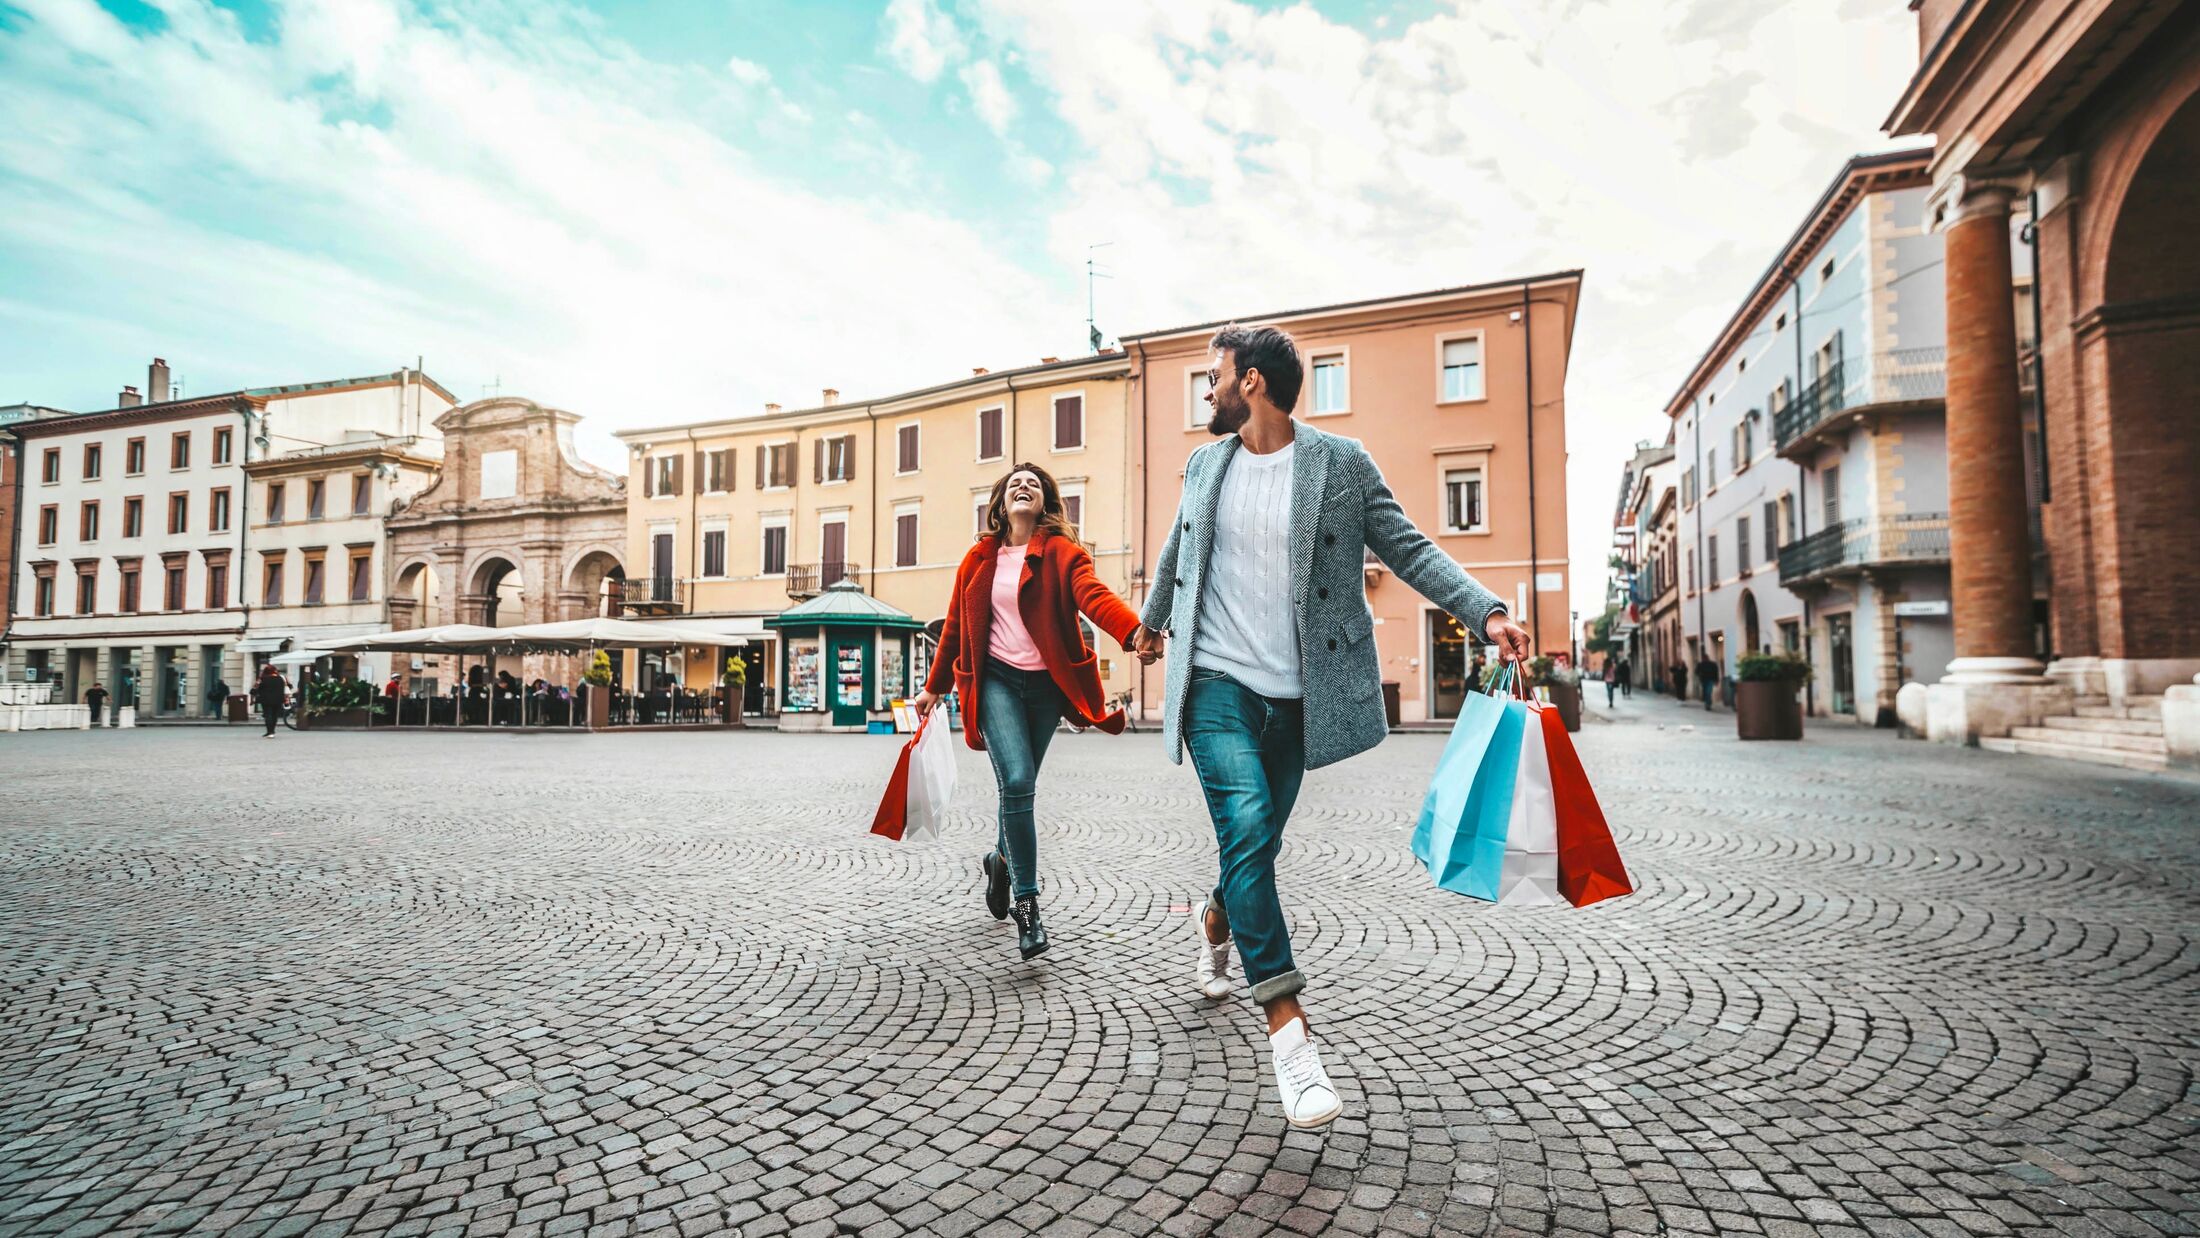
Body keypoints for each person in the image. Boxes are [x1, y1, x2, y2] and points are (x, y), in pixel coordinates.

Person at [1137, 323, 1534, 1131]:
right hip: (1214, 681)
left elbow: (1412, 549)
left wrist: (1485, 612)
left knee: (1256, 844)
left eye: (1214, 377)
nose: (1207, 391)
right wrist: (1149, 625)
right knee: (1246, 824)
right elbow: (1181, 549)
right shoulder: (1204, 462)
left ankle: (1219, 918)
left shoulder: (1340, 465)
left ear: (1251, 382)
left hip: (1297, 697)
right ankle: (1291, 1032)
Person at [911, 462, 1152, 962]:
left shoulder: (1064, 554)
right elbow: (955, 623)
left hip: (1045, 688)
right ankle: (1028, 904)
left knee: (1017, 790)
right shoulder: (977, 559)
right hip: (995, 680)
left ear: (1045, 503)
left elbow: (1096, 598)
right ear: (1000, 504)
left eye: (1034, 484)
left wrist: (1133, 633)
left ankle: (1000, 860)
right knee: (1018, 781)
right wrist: (934, 688)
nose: (1024, 487)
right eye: (1015, 483)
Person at [253, 665, 288, 737]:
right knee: (274, 715)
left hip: (266, 699)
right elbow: (284, 689)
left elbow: (257, 688)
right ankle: (272, 731)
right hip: (278, 699)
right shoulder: (280, 679)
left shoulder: (263, 679)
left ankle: (270, 731)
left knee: (268, 714)